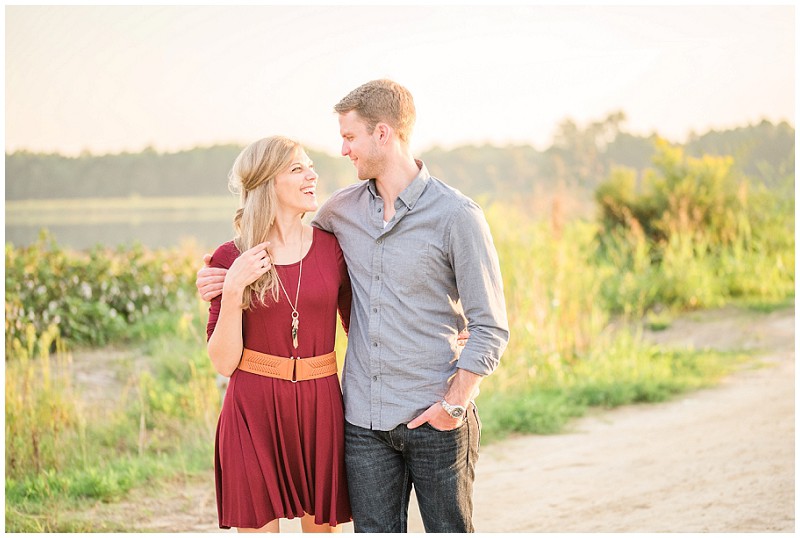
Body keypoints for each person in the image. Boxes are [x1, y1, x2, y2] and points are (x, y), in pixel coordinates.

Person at [196, 79, 509, 533]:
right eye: (299, 168)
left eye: (349, 137)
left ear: (382, 134)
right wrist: (221, 282)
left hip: (431, 413)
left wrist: (457, 400)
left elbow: (490, 324)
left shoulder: (456, 215)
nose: (341, 153)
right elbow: (280, 248)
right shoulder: (339, 214)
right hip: (361, 423)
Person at [205, 135, 352, 533]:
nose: (312, 174)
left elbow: (363, 325)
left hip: (321, 409)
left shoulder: (333, 250)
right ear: (269, 183)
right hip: (252, 411)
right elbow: (222, 362)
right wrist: (234, 288)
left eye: (310, 166)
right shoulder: (230, 258)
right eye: (297, 168)